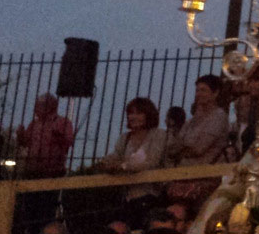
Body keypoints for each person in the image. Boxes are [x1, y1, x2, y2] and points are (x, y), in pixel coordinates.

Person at [96, 97, 168, 227]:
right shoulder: (125, 137)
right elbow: (115, 155)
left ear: (148, 115)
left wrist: (123, 166)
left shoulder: (158, 134)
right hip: (127, 197)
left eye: (138, 113)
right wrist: (105, 163)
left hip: (150, 195)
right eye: (131, 113)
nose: (133, 117)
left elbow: (153, 162)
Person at [165, 76, 229, 203]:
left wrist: (181, 150)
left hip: (204, 178)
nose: (198, 94)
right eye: (197, 90)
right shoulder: (192, 121)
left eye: (203, 90)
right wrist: (184, 149)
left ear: (215, 93)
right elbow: (171, 150)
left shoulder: (219, 116)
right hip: (184, 177)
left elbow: (199, 149)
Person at [17, 94, 74, 178]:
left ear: (49, 107)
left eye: (39, 105)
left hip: (53, 170)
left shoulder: (62, 122)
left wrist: (57, 136)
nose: (35, 109)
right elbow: (24, 143)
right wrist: (20, 135)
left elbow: (68, 142)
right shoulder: (34, 123)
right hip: (32, 169)